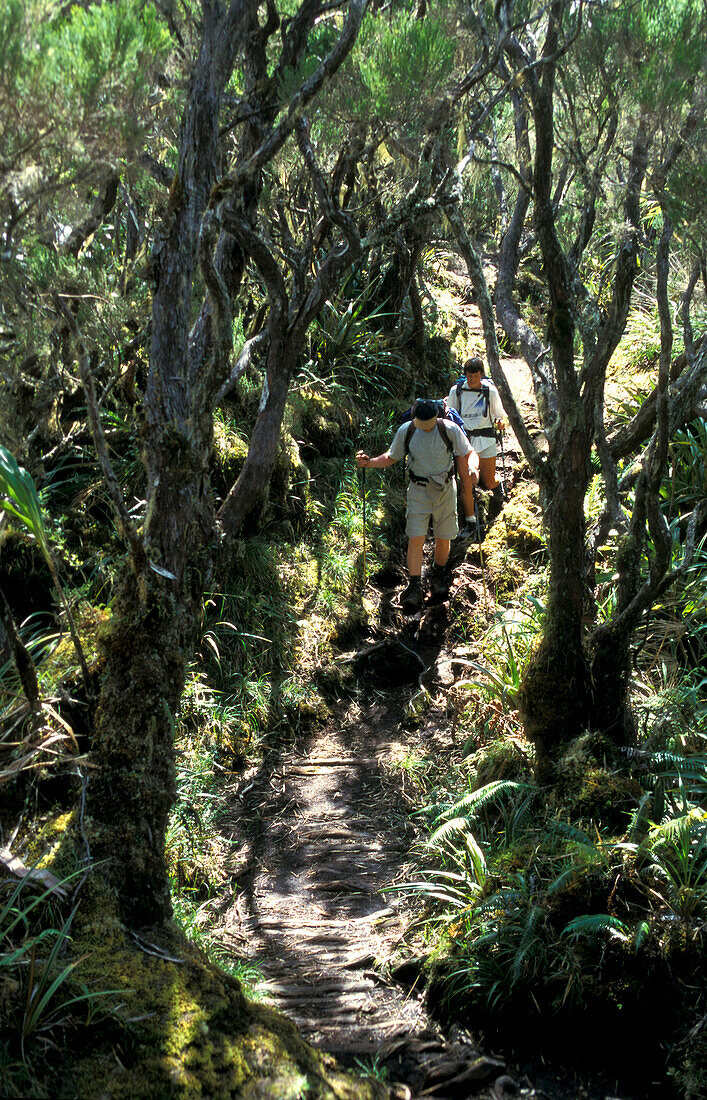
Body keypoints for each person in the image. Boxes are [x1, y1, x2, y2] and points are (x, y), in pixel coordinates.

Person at [356, 398, 475, 613]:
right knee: (416, 537)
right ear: (415, 417)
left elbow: (467, 454)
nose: (425, 427)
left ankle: (438, 574)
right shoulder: (407, 430)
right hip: (418, 489)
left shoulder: (450, 429)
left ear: (436, 417)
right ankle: (414, 585)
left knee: (444, 535)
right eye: (421, 422)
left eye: (429, 423)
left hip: (446, 488)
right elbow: (391, 456)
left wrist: (471, 475)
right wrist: (369, 462)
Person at [448, 357, 506, 537]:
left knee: (487, 481)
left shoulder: (490, 391)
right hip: (464, 441)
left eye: (476, 375)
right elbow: (449, 415)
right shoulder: (457, 391)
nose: (472, 379)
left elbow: (500, 416)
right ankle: (471, 522)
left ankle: (498, 486)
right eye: (469, 375)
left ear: (481, 374)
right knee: (466, 482)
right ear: (464, 374)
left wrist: (500, 423)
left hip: (486, 439)